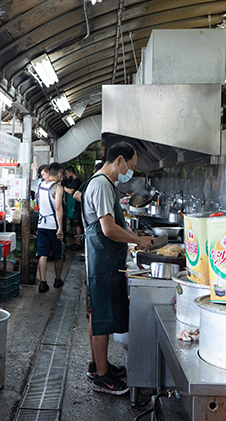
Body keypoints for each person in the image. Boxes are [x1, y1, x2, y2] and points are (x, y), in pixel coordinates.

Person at [80, 142, 153, 395]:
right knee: (102, 319)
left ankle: (96, 365)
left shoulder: (105, 184)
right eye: (130, 166)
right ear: (119, 160)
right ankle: (102, 377)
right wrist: (138, 240)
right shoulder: (101, 185)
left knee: (97, 314)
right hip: (103, 262)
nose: (129, 171)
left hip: (103, 261)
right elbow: (108, 229)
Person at [35, 162, 65, 292]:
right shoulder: (58, 188)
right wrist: (60, 228)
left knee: (43, 254)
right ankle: (57, 280)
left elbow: (38, 203)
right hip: (53, 226)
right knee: (58, 254)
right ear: (59, 174)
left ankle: (43, 282)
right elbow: (58, 208)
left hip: (41, 225)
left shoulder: (40, 185)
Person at [63, 166, 84, 250]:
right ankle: (76, 242)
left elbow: (71, 191)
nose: (67, 176)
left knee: (77, 224)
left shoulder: (76, 181)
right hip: (73, 206)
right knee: (74, 225)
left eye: (67, 174)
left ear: (71, 172)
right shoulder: (73, 181)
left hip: (77, 206)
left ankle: (78, 243)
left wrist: (62, 187)